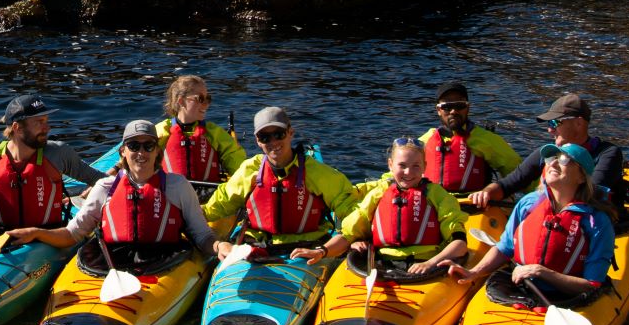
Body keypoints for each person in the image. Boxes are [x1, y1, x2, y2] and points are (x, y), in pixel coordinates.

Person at [6, 118, 224, 264]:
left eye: (148, 146)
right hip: (111, 264)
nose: (141, 152)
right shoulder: (104, 188)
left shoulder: (177, 186)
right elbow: (72, 234)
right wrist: (35, 232)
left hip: (165, 262)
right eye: (134, 146)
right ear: (123, 152)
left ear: (157, 151)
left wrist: (219, 246)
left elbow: (202, 235)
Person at [448, 142, 615, 308]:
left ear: (581, 177)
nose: (554, 163)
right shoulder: (528, 203)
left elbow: (591, 285)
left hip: (567, 298)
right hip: (521, 290)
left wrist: (540, 272)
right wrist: (473, 273)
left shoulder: (597, 222)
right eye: (551, 158)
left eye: (564, 159)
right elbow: (504, 249)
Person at [298, 137, 470, 276]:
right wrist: (322, 251)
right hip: (383, 267)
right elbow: (348, 234)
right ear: (390, 165)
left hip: (428, 267)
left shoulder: (438, 195)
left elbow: (460, 244)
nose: (408, 172)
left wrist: (430, 263)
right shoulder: (378, 194)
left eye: (416, 166)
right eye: (402, 166)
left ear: (425, 166)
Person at [202, 107, 359, 258]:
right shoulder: (250, 170)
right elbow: (221, 204)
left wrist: (351, 239)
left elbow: (351, 210)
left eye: (279, 134)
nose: (273, 142)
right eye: (265, 137)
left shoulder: (317, 173)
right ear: (257, 140)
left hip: (309, 247)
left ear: (290, 133)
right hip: (257, 247)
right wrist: (189, 219)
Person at [0, 92, 106, 249]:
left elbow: (104, 182)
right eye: (40, 122)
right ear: (17, 128)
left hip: (49, 237)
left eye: (47, 121)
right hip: (3, 237)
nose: (47, 128)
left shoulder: (58, 153)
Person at [465, 93, 628, 215]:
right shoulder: (546, 152)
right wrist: (486, 193)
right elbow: (511, 182)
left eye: (555, 122)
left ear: (579, 123)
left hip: (596, 222)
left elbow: (590, 194)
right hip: (554, 219)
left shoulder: (608, 154)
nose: (550, 129)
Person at [421, 81, 521, 201]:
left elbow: (520, 173)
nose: (453, 111)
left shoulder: (486, 139)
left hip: (474, 204)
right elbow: (398, 170)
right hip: (434, 205)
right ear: (438, 110)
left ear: (468, 107)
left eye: (459, 106)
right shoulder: (426, 140)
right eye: (447, 107)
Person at [154, 74, 247, 186]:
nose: (206, 105)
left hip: (209, 199)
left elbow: (241, 169)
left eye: (208, 99)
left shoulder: (215, 134)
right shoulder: (160, 132)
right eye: (200, 99)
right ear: (181, 101)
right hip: (171, 198)